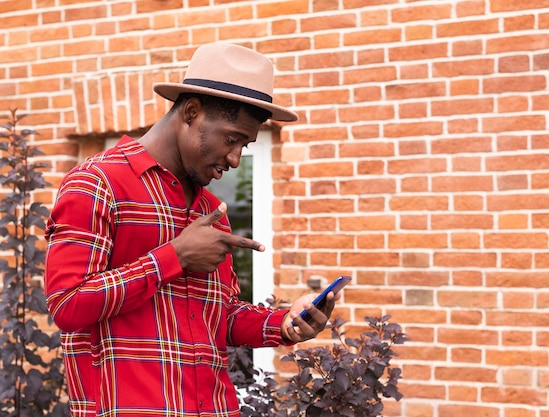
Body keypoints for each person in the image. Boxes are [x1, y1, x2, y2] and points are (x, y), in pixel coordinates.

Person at [44, 42, 339, 417]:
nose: (235, 159)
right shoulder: (97, 182)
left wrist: (284, 323)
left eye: (245, 146)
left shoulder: (209, 208)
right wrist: (175, 256)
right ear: (192, 112)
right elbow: (67, 304)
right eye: (231, 139)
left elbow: (221, 316)